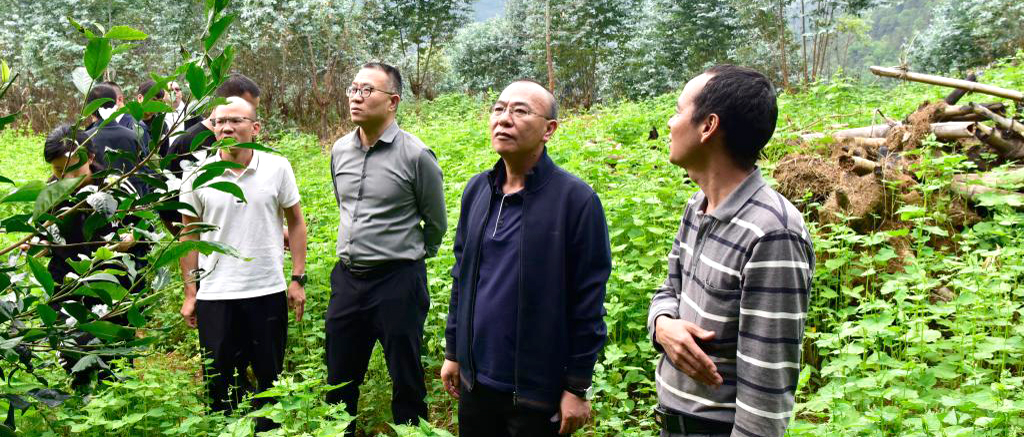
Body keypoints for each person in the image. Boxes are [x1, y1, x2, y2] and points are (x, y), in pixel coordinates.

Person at [647, 65, 814, 437]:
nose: (670, 123)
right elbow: (668, 290)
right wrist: (663, 326)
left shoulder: (773, 232)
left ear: (708, 126)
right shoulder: (698, 205)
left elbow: (766, 390)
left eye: (678, 110)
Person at [440, 79, 612, 437]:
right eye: (498, 109)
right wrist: (454, 352)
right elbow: (462, 277)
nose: (504, 119)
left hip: (537, 394)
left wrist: (577, 386)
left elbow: (588, 302)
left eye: (520, 111)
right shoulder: (477, 190)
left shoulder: (576, 201)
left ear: (549, 129)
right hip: (475, 384)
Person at [325, 62, 446, 433]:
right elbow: (345, 206)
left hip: (398, 282)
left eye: (367, 90)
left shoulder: (416, 155)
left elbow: (436, 222)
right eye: (353, 88)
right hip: (348, 280)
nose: (356, 97)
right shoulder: (340, 150)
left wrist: (407, 257)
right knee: (339, 378)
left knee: (406, 376)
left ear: (393, 101)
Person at [177, 97, 307, 432]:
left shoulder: (276, 167)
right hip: (216, 295)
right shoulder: (197, 174)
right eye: (220, 122)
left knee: (269, 382)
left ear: (255, 127)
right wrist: (190, 292)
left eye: (236, 121)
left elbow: (295, 222)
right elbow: (189, 235)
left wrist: (297, 278)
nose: (227, 128)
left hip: (266, 291)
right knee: (219, 386)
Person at [41, 124, 149, 388]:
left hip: (112, 281)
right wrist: (39, 242)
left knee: (113, 353)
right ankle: (80, 395)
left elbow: (143, 227)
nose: (66, 176)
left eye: (73, 168)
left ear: (90, 157)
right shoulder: (50, 192)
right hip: (67, 281)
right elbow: (45, 233)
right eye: (58, 170)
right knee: (71, 347)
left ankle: (116, 398)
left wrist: (130, 239)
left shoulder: (115, 186)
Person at [161, 73, 262, 235]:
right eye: (247, 108)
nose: (251, 115)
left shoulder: (244, 138)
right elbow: (167, 208)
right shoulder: (186, 144)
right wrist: (193, 242)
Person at [84, 84, 150, 195]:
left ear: (90, 108)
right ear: (115, 104)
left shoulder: (85, 140)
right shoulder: (134, 136)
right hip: (133, 201)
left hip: (98, 201)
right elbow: (145, 172)